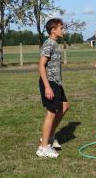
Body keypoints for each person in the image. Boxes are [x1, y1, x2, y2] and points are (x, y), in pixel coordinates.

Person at [37, 18, 70, 158]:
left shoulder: (55, 44)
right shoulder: (48, 44)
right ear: (53, 30)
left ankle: (49, 136)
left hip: (56, 82)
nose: (63, 30)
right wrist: (47, 87)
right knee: (51, 113)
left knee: (65, 106)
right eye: (61, 27)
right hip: (49, 82)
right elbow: (41, 65)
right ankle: (43, 147)